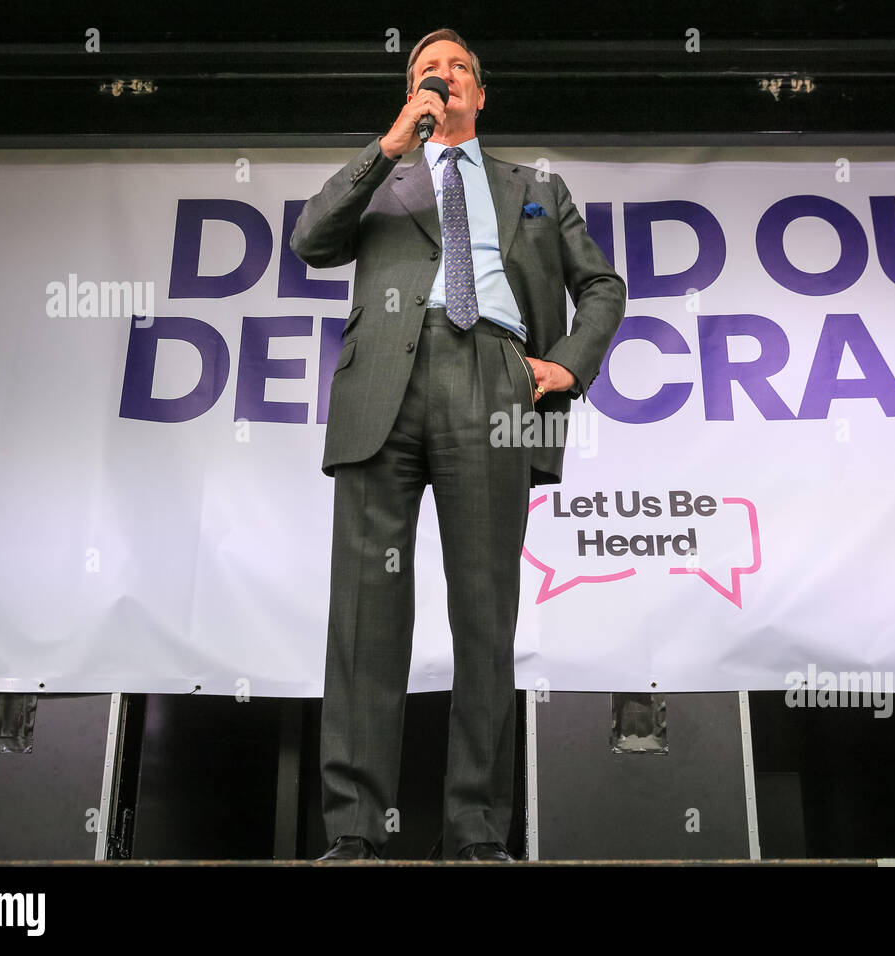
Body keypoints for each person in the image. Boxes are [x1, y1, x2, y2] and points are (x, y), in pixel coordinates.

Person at [290, 27, 626, 862]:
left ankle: (475, 830)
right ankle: (355, 830)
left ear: (482, 92)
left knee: (484, 612)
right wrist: (388, 144)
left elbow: (602, 286)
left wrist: (565, 369)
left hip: (493, 375)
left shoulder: (535, 185)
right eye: (424, 73)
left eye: (455, 70)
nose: (440, 79)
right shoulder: (386, 172)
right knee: (366, 617)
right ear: (412, 94)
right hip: (383, 386)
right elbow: (311, 241)